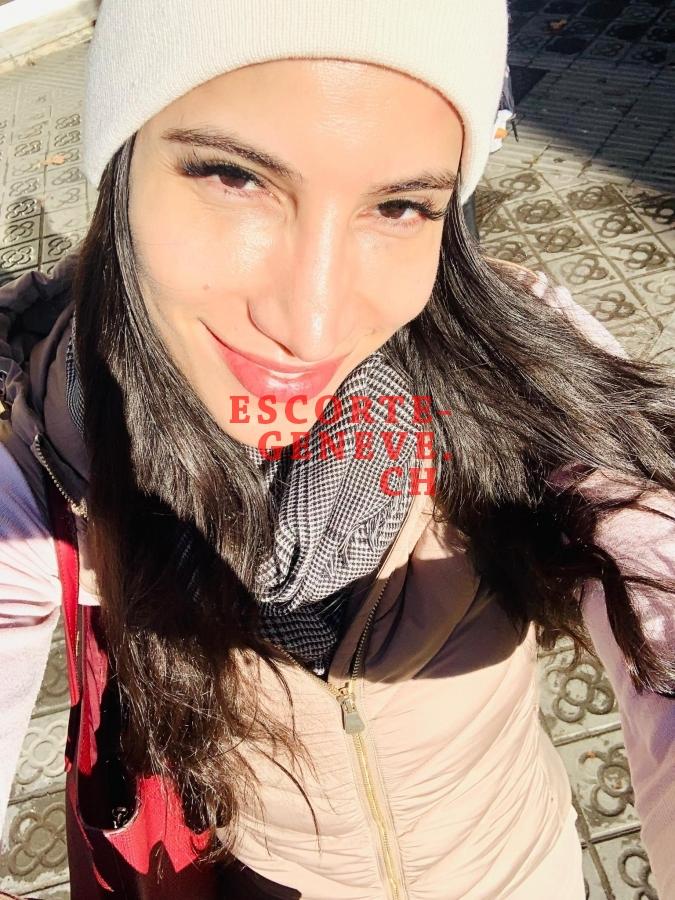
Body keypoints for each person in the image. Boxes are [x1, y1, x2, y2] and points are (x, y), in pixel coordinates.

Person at [1, 1, 674, 898]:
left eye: (399, 205)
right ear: (121, 166)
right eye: (234, 176)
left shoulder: (510, 370)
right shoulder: (46, 440)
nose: (310, 323)